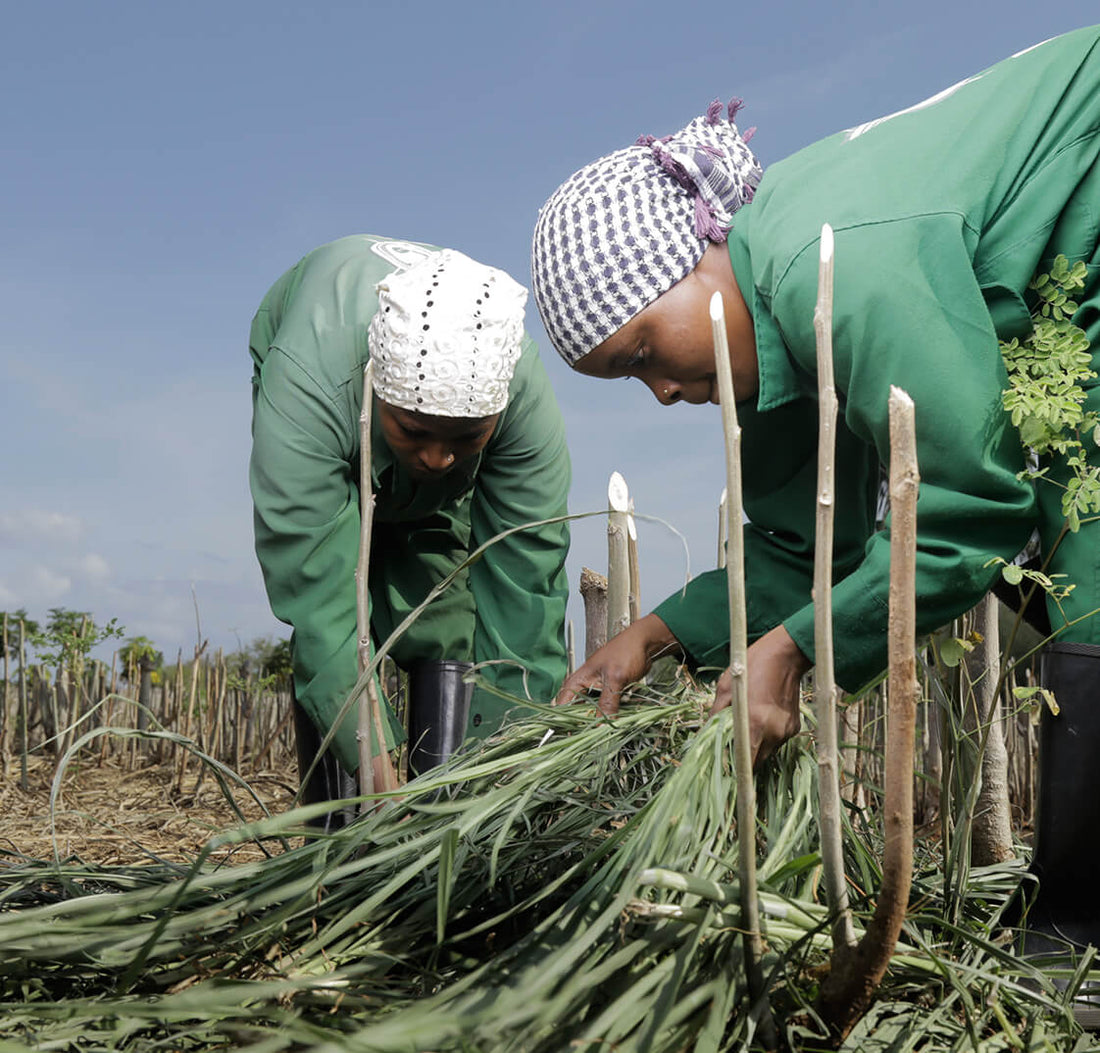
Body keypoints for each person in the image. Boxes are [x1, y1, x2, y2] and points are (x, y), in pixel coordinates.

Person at [531, 28, 1100, 1001]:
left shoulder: (830, 261)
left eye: (639, 353)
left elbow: (961, 508)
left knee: (1084, 568)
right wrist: (651, 639)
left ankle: (1073, 945)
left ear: (701, 256)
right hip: (1061, 297)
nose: (661, 393)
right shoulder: (773, 360)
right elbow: (799, 551)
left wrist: (788, 653)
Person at [250, 235, 571, 817]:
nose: (437, 459)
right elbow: (317, 587)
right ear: (380, 396)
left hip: (430, 443)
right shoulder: (307, 385)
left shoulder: (518, 392)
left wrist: (511, 764)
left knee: (446, 602)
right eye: (415, 432)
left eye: (466, 439)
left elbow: (527, 578)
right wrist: (379, 778)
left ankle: (449, 813)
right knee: (337, 615)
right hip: (331, 411)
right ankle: (337, 850)